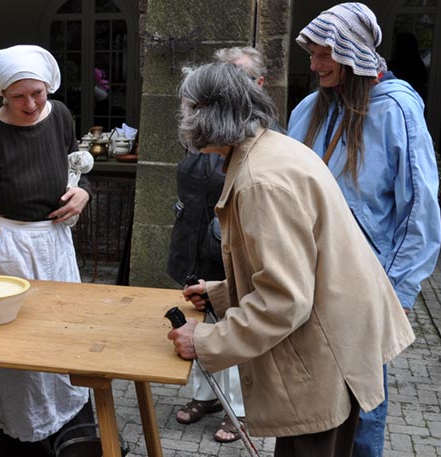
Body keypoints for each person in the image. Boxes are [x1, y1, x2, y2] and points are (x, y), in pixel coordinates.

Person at [167, 61, 415, 457]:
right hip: (334, 339)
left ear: (208, 115)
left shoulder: (260, 181)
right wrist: (221, 294)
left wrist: (208, 341)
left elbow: (286, 299)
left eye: (187, 109)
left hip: (328, 351)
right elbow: (297, 268)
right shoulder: (270, 150)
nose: (183, 119)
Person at [287, 4, 441, 456]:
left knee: (362, 403)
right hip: (307, 278)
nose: (313, 65)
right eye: (311, 54)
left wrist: (398, 290)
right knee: (309, 395)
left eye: (322, 56)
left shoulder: (397, 110)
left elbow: (418, 210)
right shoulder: (309, 108)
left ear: (352, 54)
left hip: (367, 285)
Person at [0, 44, 93, 456]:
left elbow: (73, 169)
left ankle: (71, 437)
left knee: (59, 340)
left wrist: (83, 193)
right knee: (11, 356)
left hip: (54, 246)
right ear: (1, 94)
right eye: (18, 96)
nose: (30, 104)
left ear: (49, 87)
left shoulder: (60, 115)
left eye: (37, 94)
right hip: (3, 251)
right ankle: (11, 446)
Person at [166, 46, 270, 443]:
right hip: (193, 241)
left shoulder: (258, 147)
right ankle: (207, 395)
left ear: (257, 85)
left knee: (237, 320)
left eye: (238, 77)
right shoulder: (206, 135)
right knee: (201, 319)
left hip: (227, 248)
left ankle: (240, 409)